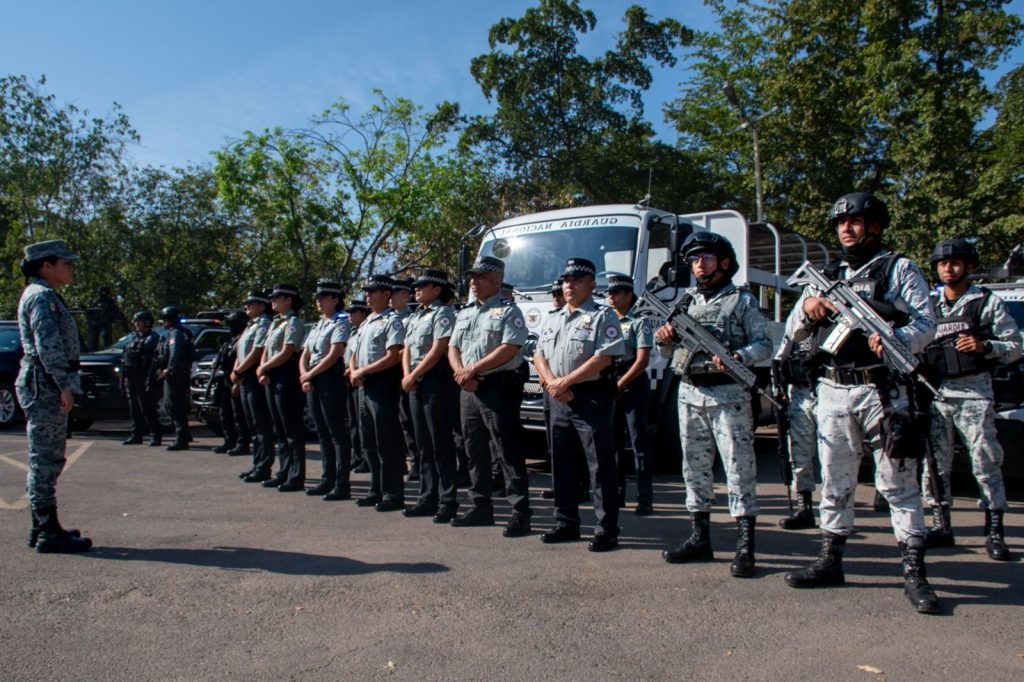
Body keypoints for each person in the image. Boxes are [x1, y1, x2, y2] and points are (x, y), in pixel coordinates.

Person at [782, 192, 941, 614]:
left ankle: (914, 571)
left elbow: (928, 323)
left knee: (898, 483)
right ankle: (830, 560)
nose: (846, 229)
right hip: (833, 389)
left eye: (855, 221)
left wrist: (895, 339)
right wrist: (809, 308)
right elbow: (793, 330)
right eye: (840, 223)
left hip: (882, 389)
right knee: (835, 481)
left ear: (875, 226)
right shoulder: (826, 274)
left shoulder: (898, 268)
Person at [654, 232, 772, 578]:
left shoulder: (741, 300)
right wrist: (664, 339)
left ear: (724, 262)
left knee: (738, 470)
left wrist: (739, 356)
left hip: (728, 395)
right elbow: (668, 353)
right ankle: (700, 538)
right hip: (690, 394)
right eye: (694, 259)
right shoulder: (686, 302)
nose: (699, 265)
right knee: (694, 469)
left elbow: (764, 344)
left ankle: (745, 547)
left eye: (705, 257)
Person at [921, 238, 1020, 560]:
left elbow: (1015, 347)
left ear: (968, 266)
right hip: (937, 394)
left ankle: (994, 531)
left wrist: (984, 346)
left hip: (974, 392)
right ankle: (941, 525)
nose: (948, 269)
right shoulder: (928, 305)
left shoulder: (985, 303)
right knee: (935, 464)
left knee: (985, 460)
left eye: (954, 263)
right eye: (942, 264)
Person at [534, 259, 625, 551]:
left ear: (591, 285)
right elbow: (538, 354)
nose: (569, 285)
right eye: (566, 281)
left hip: (590, 397)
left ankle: (606, 529)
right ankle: (566, 523)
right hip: (558, 397)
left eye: (576, 280)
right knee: (561, 462)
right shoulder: (554, 318)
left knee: (599, 466)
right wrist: (552, 383)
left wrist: (566, 382)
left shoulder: (602, 316)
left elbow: (604, 357)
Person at [448, 256, 533, 536]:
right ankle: (480, 507)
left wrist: (472, 370)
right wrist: (462, 373)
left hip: (497, 387)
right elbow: (453, 347)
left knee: (506, 451)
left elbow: (510, 347)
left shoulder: (509, 311)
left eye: (481, 276)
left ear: (497, 280)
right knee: (474, 450)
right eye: (472, 277)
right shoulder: (465, 312)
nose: (474, 282)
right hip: (468, 388)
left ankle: (520, 512)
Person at [17, 240, 92, 553]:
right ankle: (48, 531)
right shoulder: (42, 297)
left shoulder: (43, 295)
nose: (70, 268)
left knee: (46, 457)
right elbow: (47, 345)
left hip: (44, 382)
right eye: (65, 263)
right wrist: (63, 384)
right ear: (47, 266)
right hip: (46, 384)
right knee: (46, 459)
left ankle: (43, 526)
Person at [401, 269, 460, 522]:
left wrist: (414, 375)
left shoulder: (443, 314)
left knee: (440, 444)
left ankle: (447, 501)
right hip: (416, 382)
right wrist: (408, 375)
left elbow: (438, 350)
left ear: (437, 289)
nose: (416, 289)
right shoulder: (416, 315)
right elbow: (407, 348)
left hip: (436, 382)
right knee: (423, 444)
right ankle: (427, 497)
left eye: (422, 286)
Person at [349, 274, 406, 511]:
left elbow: (393, 356)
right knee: (368, 442)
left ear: (386, 294)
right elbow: (354, 352)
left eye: (372, 292)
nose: (368, 296)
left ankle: (392, 494)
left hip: (382, 384)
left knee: (387, 441)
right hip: (363, 385)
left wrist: (362, 370)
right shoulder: (366, 322)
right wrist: (354, 370)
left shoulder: (392, 321)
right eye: (366, 292)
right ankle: (376, 490)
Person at [606, 273, 655, 516]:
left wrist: (621, 383)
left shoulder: (639, 321)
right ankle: (617, 493)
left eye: (616, 293)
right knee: (613, 441)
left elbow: (642, 361)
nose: (611, 297)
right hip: (611, 381)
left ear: (628, 295)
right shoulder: (606, 320)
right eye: (609, 293)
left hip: (632, 382)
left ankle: (645, 498)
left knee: (638, 440)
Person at [300, 279, 353, 501]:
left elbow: (334, 354)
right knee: (322, 433)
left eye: (323, 298)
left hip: (330, 379)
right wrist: (305, 374)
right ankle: (327, 479)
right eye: (317, 298)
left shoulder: (341, 323)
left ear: (335, 299)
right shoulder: (318, 325)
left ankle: (342, 483)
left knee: (336, 433)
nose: (318, 302)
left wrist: (310, 374)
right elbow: (305, 354)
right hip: (313, 379)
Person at [257, 284, 307, 492]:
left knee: (291, 428)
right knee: (279, 428)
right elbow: (266, 349)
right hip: (272, 374)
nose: (273, 301)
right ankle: (283, 472)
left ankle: (296, 475)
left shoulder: (293, 323)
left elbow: (287, 351)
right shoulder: (276, 323)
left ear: (289, 300)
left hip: (286, 376)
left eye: (277, 297)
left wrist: (265, 366)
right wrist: (264, 368)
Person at [774, 331, 820, 531]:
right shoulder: (797, 321)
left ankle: (838, 512)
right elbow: (780, 357)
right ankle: (804, 508)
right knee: (799, 455)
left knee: (834, 456)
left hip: (827, 389)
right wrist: (778, 390)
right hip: (800, 394)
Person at [231, 290, 276, 483]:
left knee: (261, 424)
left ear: (262, 306)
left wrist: (239, 370)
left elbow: (256, 352)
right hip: (244, 376)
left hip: (253, 376)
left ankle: (264, 466)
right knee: (253, 424)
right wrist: (236, 371)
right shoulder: (250, 325)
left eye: (251, 304)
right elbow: (240, 352)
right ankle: (257, 463)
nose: (246, 307)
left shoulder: (264, 324)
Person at [391, 277, 420, 481]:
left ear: (404, 295)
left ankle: (416, 462)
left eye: (394, 293)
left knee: (409, 421)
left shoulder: (410, 318)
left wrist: (389, 358)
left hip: (404, 374)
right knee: (396, 422)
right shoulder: (389, 318)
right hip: (389, 375)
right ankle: (399, 460)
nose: (390, 297)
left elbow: (405, 349)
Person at [121, 309, 163, 447]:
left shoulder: (153, 338)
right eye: (136, 322)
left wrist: (150, 379)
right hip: (132, 377)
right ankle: (136, 435)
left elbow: (153, 361)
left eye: (139, 321)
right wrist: (124, 378)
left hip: (144, 377)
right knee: (134, 408)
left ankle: (155, 435)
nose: (136, 324)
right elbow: (126, 358)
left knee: (148, 409)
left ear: (147, 322)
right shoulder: (134, 338)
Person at [211, 312, 252, 455]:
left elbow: (242, 361)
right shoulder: (231, 341)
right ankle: (229, 441)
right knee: (225, 413)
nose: (229, 327)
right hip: (225, 380)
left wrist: (237, 383)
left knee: (239, 415)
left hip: (237, 380)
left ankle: (242, 443)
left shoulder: (243, 340)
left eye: (231, 324)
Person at [155, 306, 195, 451]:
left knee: (173, 406)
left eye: (164, 319)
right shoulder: (181, 332)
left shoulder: (176, 333)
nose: (163, 322)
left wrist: (169, 369)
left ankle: (181, 438)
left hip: (175, 374)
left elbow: (174, 352)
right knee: (176, 405)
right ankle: (185, 435)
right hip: (179, 372)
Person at [344, 299, 371, 474]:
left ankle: (366, 459)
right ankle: (357, 456)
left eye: (353, 312)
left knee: (363, 423)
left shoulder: (364, 329)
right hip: (351, 378)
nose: (349, 316)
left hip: (361, 378)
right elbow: (351, 355)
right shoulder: (354, 332)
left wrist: (353, 371)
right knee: (353, 421)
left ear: (362, 313)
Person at [87, 286, 127, 351]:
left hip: (106, 324)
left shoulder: (110, 302)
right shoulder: (98, 302)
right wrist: (87, 309)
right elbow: (93, 311)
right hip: (97, 324)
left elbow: (117, 313)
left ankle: (107, 350)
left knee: (106, 339)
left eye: (102, 292)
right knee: (93, 340)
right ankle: (92, 351)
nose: (100, 294)